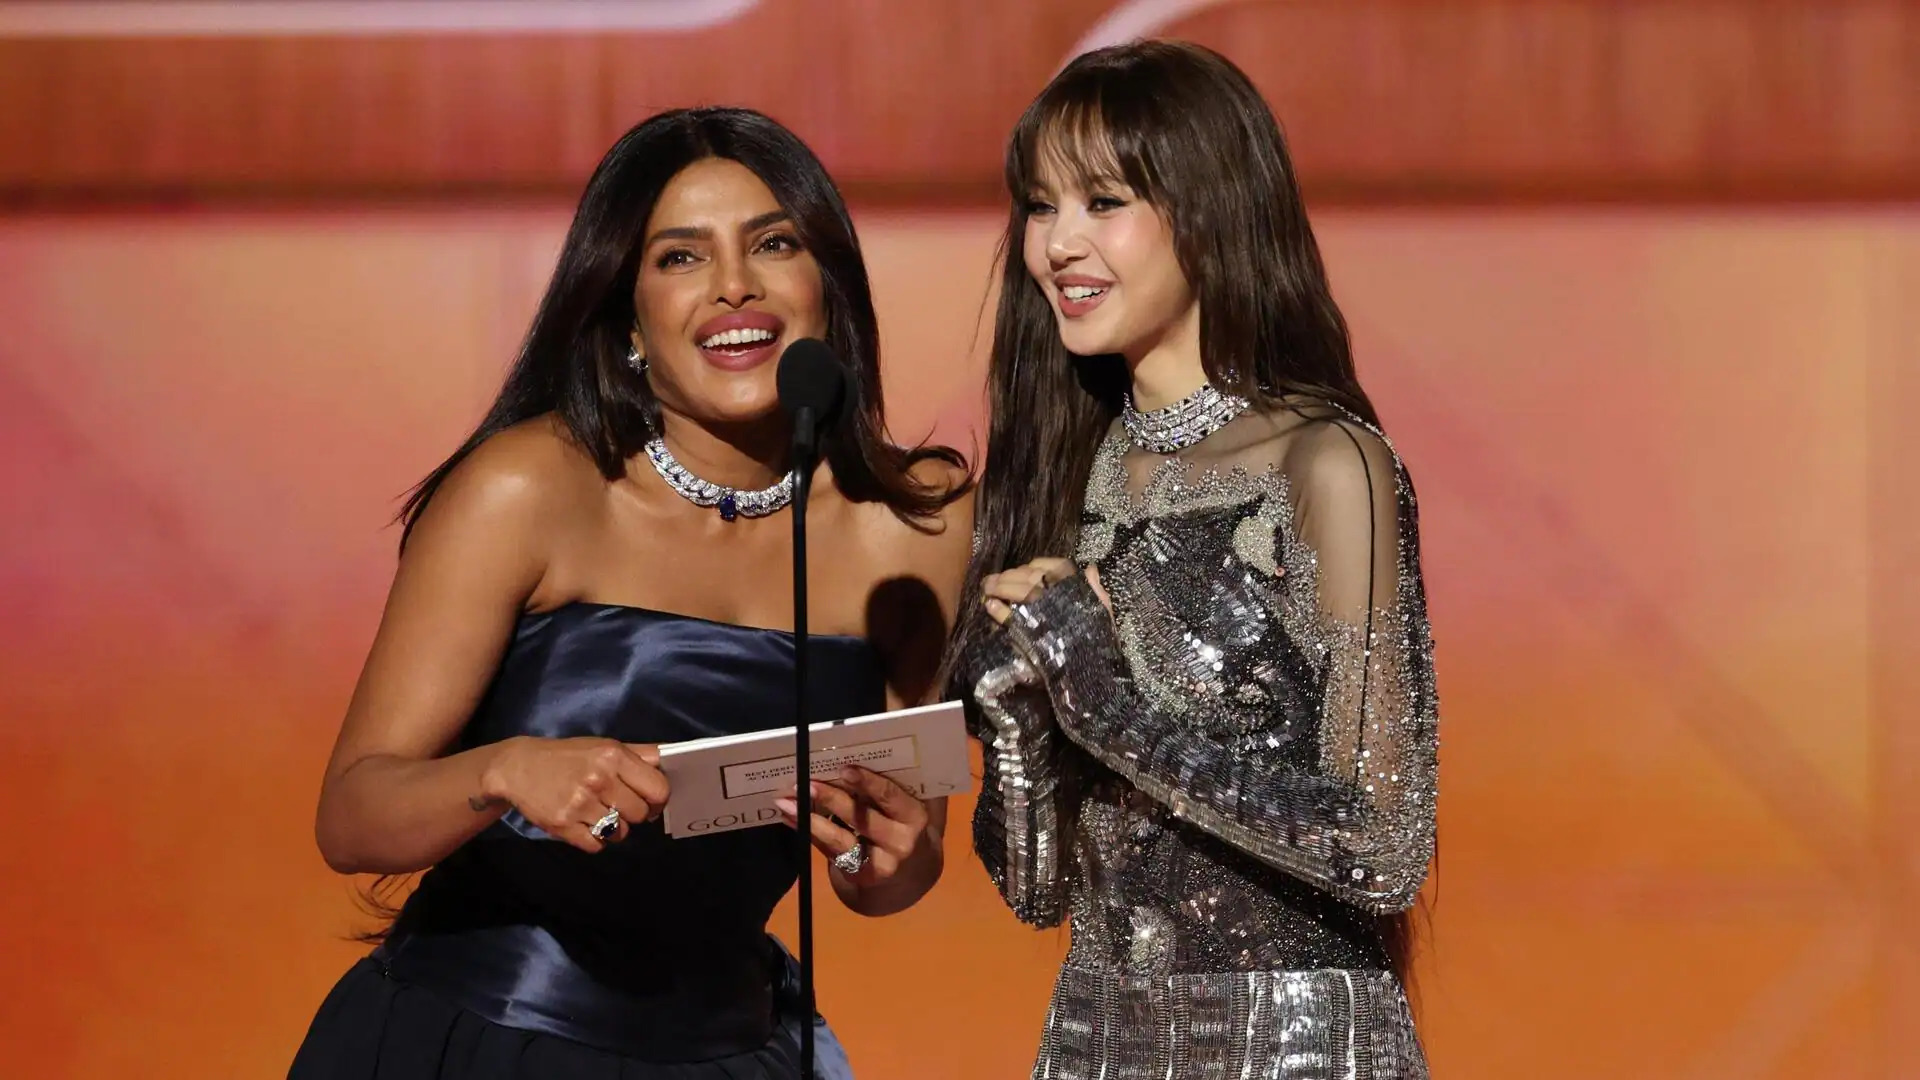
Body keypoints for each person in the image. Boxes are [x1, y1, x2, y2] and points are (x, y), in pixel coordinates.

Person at [289, 106, 972, 1079]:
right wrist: (505, 772)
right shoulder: (527, 489)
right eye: (681, 257)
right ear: (629, 318)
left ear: (828, 286)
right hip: (484, 1044)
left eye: (773, 244)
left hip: (736, 1050)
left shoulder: (922, 520)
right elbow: (351, 818)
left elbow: (896, 860)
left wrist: (890, 862)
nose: (734, 285)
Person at [951, 41, 1439, 1079]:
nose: (1059, 245)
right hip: (1095, 1037)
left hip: (1297, 1045)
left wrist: (1100, 702)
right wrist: (1022, 731)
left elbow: (1384, 848)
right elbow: (1038, 895)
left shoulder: (1326, 464)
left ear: (1210, 209)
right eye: (1040, 207)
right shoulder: (1064, 474)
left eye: (1103, 202)